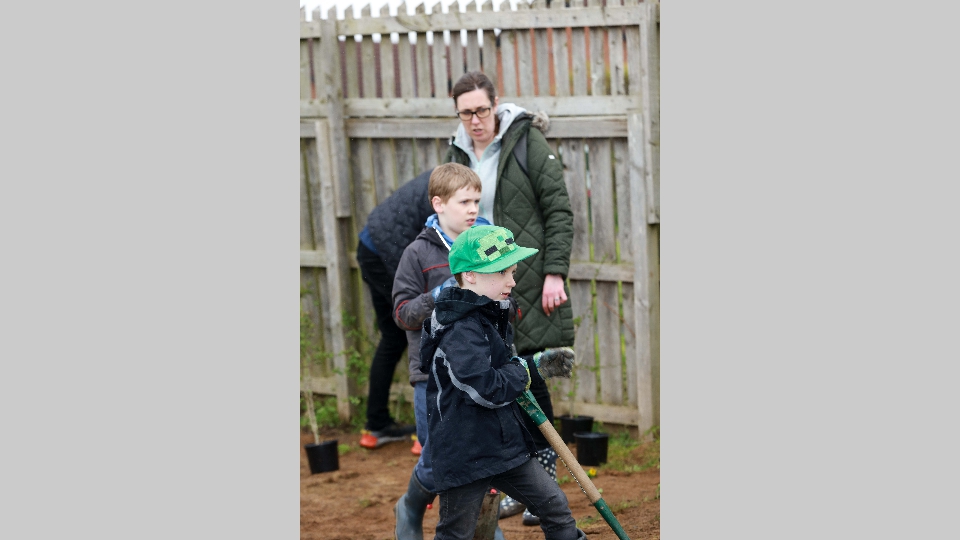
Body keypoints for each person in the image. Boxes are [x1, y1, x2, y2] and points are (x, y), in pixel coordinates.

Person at [445, 71, 576, 525]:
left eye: (482, 110)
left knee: (530, 377)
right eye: (466, 113)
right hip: (477, 287)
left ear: (496, 104)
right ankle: (515, 487)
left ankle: (545, 485)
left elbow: (558, 208)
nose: (475, 120)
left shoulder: (525, 142)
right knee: (496, 376)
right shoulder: (457, 151)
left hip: (525, 276)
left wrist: (555, 272)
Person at [419, 225, 584, 540]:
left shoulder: (491, 313)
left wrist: (534, 366)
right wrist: (526, 371)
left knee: (555, 507)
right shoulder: (459, 329)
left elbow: (504, 367)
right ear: (470, 275)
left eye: (513, 272)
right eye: (502, 272)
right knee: (456, 533)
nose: (512, 281)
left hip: (503, 446)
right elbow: (486, 388)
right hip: (464, 452)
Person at [391, 163, 493, 540]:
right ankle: (411, 507)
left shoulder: (486, 242)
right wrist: (439, 294)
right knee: (439, 457)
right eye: (464, 202)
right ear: (438, 204)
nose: (473, 209)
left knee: (487, 452)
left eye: (476, 201)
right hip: (431, 378)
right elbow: (403, 315)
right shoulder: (417, 254)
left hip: (480, 372)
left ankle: (487, 528)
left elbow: (507, 294)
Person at [356, 168, 436, 450]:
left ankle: (376, 425)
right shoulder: (449, 189)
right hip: (384, 252)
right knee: (425, 330)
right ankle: (426, 435)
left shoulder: (442, 178)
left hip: (370, 244)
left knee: (392, 337)